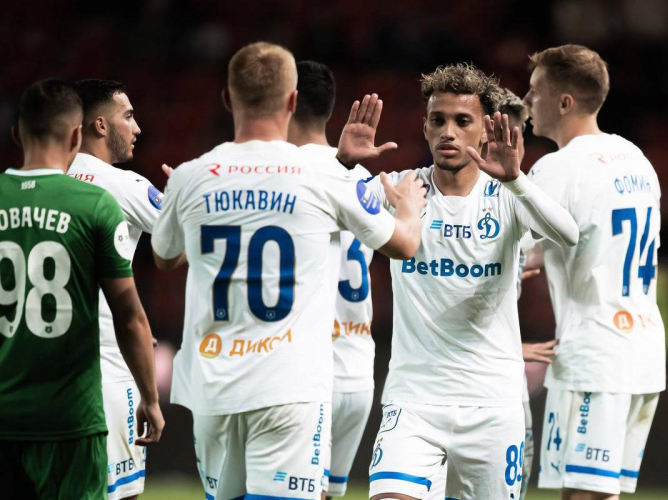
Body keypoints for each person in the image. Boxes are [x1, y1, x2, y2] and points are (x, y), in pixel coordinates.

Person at [151, 42, 426, 500]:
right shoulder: (323, 175)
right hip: (290, 386)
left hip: (213, 387)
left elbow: (164, 257)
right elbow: (404, 244)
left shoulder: (190, 175)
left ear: (227, 98)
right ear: (293, 100)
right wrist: (410, 206)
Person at [360, 63, 579, 500]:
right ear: (425, 127)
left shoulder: (507, 195)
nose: (449, 132)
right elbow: (328, 202)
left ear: (484, 132)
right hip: (414, 402)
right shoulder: (401, 191)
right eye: (438, 120)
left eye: (463, 121)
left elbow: (568, 234)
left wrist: (516, 180)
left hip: (493, 405)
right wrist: (346, 164)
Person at [0, 79, 163, 499]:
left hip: (10, 393)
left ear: (17, 134)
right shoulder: (100, 198)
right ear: (80, 133)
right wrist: (150, 395)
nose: (137, 127)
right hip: (85, 393)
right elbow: (132, 311)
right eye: (129, 116)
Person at [523, 45, 665, 499]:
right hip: (643, 348)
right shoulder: (635, 157)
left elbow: (512, 250)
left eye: (535, 91)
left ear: (564, 102)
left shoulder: (557, 167)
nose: (526, 101)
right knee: (599, 491)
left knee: (583, 492)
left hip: (596, 354)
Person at [68, 78, 163, 500]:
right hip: (107, 370)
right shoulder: (124, 186)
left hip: (42, 371)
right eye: (128, 116)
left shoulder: (44, 181)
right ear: (101, 125)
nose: (137, 127)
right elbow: (184, 245)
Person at [288, 60, 377, 499]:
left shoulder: (284, 174)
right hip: (358, 369)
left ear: (285, 103)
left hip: (304, 370)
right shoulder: (364, 177)